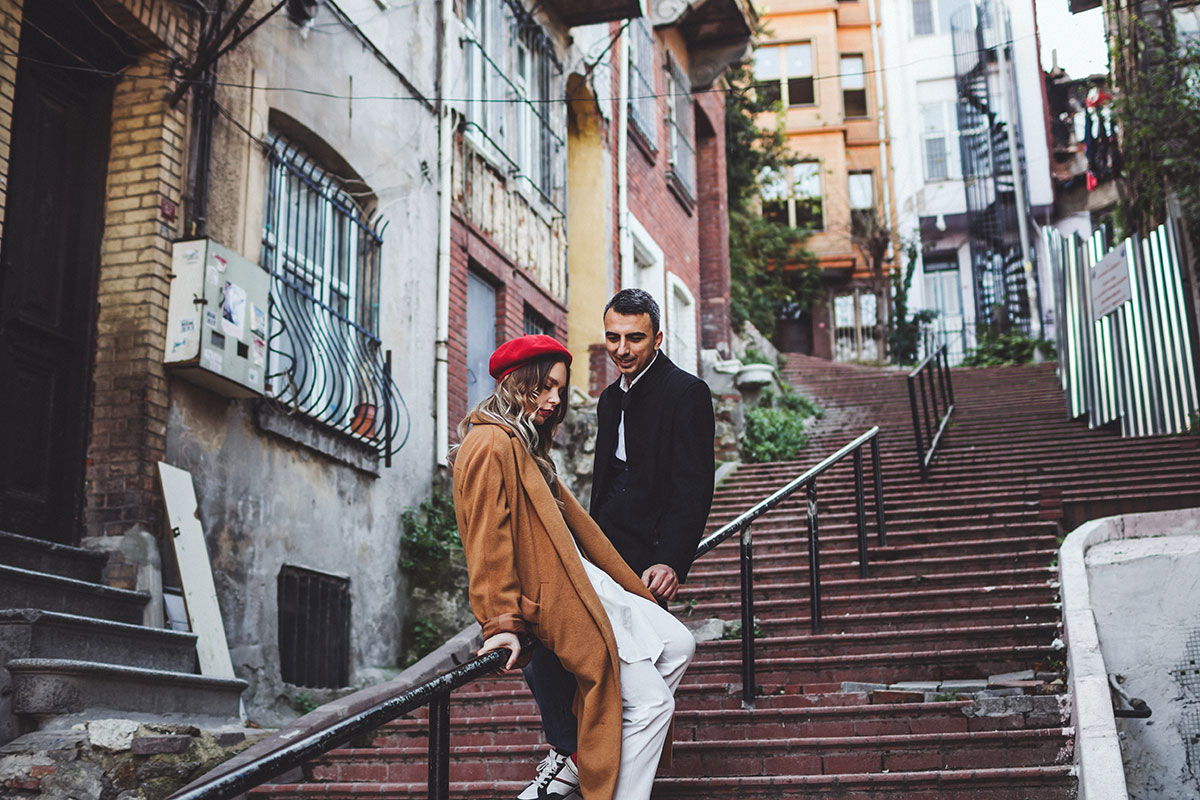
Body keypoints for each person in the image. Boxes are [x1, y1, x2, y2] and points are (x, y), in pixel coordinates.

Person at [452, 334, 696, 800]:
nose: (554, 400)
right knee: (649, 704)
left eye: (560, 390)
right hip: (558, 594)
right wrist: (500, 622)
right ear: (514, 382)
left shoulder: (525, 446)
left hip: (588, 579)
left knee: (679, 643)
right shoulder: (487, 443)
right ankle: (601, 774)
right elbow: (486, 541)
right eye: (543, 387)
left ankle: (587, 752)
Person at [519, 289, 716, 799]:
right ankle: (582, 755)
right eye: (613, 337)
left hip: (648, 559)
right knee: (562, 650)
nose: (622, 348)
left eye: (634, 338)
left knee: (642, 671)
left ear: (657, 337)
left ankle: (590, 764)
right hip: (601, 552)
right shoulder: (609, 399)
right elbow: (602, 485)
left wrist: (673, 559)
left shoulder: (686, 392)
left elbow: (694, 487)